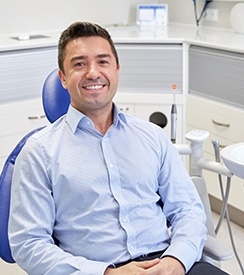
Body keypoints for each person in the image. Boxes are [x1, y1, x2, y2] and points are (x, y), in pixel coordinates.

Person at [8, 22, 228, 275]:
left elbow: (187, 209)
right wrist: (107, 273)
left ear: (117, 70)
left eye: (103, 61)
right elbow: (29, 243)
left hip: (166, 263)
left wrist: (177, 260)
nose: (93, 72)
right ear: (63, 78)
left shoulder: (152, 137)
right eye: (79, 64)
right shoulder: (39, 152)